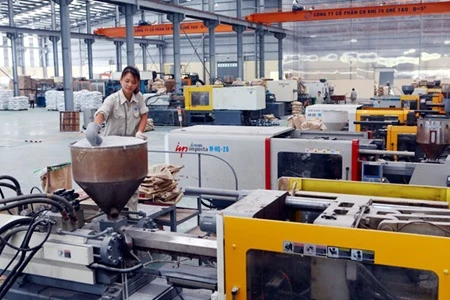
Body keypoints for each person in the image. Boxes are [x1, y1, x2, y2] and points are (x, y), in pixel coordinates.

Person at [85, 65, 149, 211]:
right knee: (111, 186)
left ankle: (132, 215)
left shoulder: (139, 98)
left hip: (132, 150)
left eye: (133, 82)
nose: (130, 85)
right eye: (127, 81)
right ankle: (109, 214)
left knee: (132, 185)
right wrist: (95, 127)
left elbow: (144, 115)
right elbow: (101, 113)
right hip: (112, 153)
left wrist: (139, 132)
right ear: (121, 80)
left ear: (138, 83)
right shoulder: (112, 100)